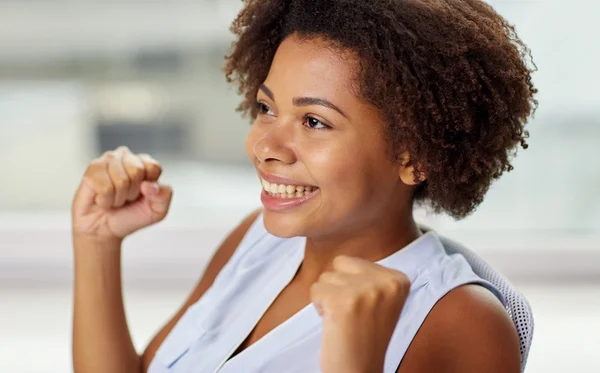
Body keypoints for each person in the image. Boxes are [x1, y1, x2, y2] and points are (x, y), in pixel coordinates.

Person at [71, 0, 537, 372]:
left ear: (415, 156)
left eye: (314, 121)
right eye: (266, 108)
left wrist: (356, 363)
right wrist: (96, 243)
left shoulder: (462, 322)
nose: (266, 146)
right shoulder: (256, 240)